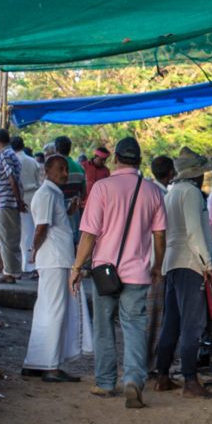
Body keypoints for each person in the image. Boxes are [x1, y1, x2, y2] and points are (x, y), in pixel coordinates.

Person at [70, 135, 166, 407]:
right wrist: (158, 265)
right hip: (137, 273)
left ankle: (104, 382)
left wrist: (77, 267)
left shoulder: (102, 188)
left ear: (115, 160)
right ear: (139, 161)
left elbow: (89, 234)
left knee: (104, 326)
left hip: (105, 273)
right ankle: (134, 379)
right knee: (135, 326)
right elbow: (160, 236)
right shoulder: (153, 191)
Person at [150, 154, 212, 398]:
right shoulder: (192, 193)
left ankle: (162, 375)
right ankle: (190, 379)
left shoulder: (171, 193)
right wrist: (207, 264)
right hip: (190, 263)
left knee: (171, 324)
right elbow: (195, 232)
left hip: (172, 262)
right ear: (195, 174)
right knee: (192, 324)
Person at [21, 154, 78, 382]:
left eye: (66, 169)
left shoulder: (53, 193)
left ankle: (37, 362)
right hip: (54, 258)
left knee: (47, 309)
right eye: (61, 169)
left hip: (56, 257)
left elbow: (52, 222)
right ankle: (51, 366)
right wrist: (34, 249)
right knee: (55, 310)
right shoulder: (46, 193)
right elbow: (42, 226)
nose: (65, 174)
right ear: (48, 170)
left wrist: (69, 210)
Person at [0, 128, 24, 285]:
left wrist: (18, 200)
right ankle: (12, 270)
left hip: (6, 201)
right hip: (8, 201)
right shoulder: (11, 154)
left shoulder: (5, 155)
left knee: (6, 238)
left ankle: (9, 272)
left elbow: (12, 178)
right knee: (10, 237)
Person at [14, 136, 44, 273]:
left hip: (22, 197)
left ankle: (27, 264)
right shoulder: (33, 161)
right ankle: (35, 260)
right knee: (34, 228)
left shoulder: (15, 160)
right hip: (35, 195)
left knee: (25, 231)